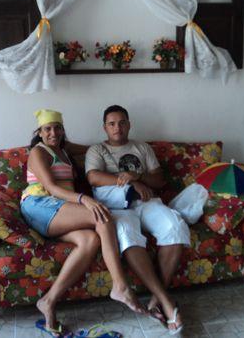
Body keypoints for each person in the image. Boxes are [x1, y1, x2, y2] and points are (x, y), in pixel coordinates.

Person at [20, 109, 145, 338]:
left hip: (61, 210)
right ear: (39, 132)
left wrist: (123, 163)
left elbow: (93, 149)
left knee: (90, 240)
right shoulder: (39, 152)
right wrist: (84, 199)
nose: (53, 133)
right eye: (47, 129)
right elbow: (52, 188)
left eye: (57, 128)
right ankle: (120, 286)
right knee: (102, 215)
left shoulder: (64, 149)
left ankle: (48, 301)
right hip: (39, 205)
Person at [86, 105, 188, 334]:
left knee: (175, 226)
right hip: (116, 206)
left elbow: (159, 180)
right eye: (112, 124)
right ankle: (167, 302)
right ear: (104, 127)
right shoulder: (97, 150)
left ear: (129, 124)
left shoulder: (142, 147)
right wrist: (132, 183)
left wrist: (138, 175)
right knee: (128, 235)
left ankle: (156, 299)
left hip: (146, 202)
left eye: (122, 122)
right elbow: (93, 177)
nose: (117, 127)